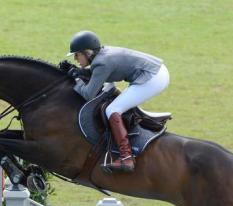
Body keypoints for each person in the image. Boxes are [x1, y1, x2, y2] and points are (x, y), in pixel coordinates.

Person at [67, 30, 170, 173]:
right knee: (117, 105)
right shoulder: (101, 57)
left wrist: (76, 80)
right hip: (155, 71)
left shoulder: (102, 62)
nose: (76, 59)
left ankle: (126, 158)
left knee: (112, 110)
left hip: (153, 77)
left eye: (77, 55)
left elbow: (88, 94)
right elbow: (99, 75)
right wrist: (80, 72)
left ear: (87, 53)